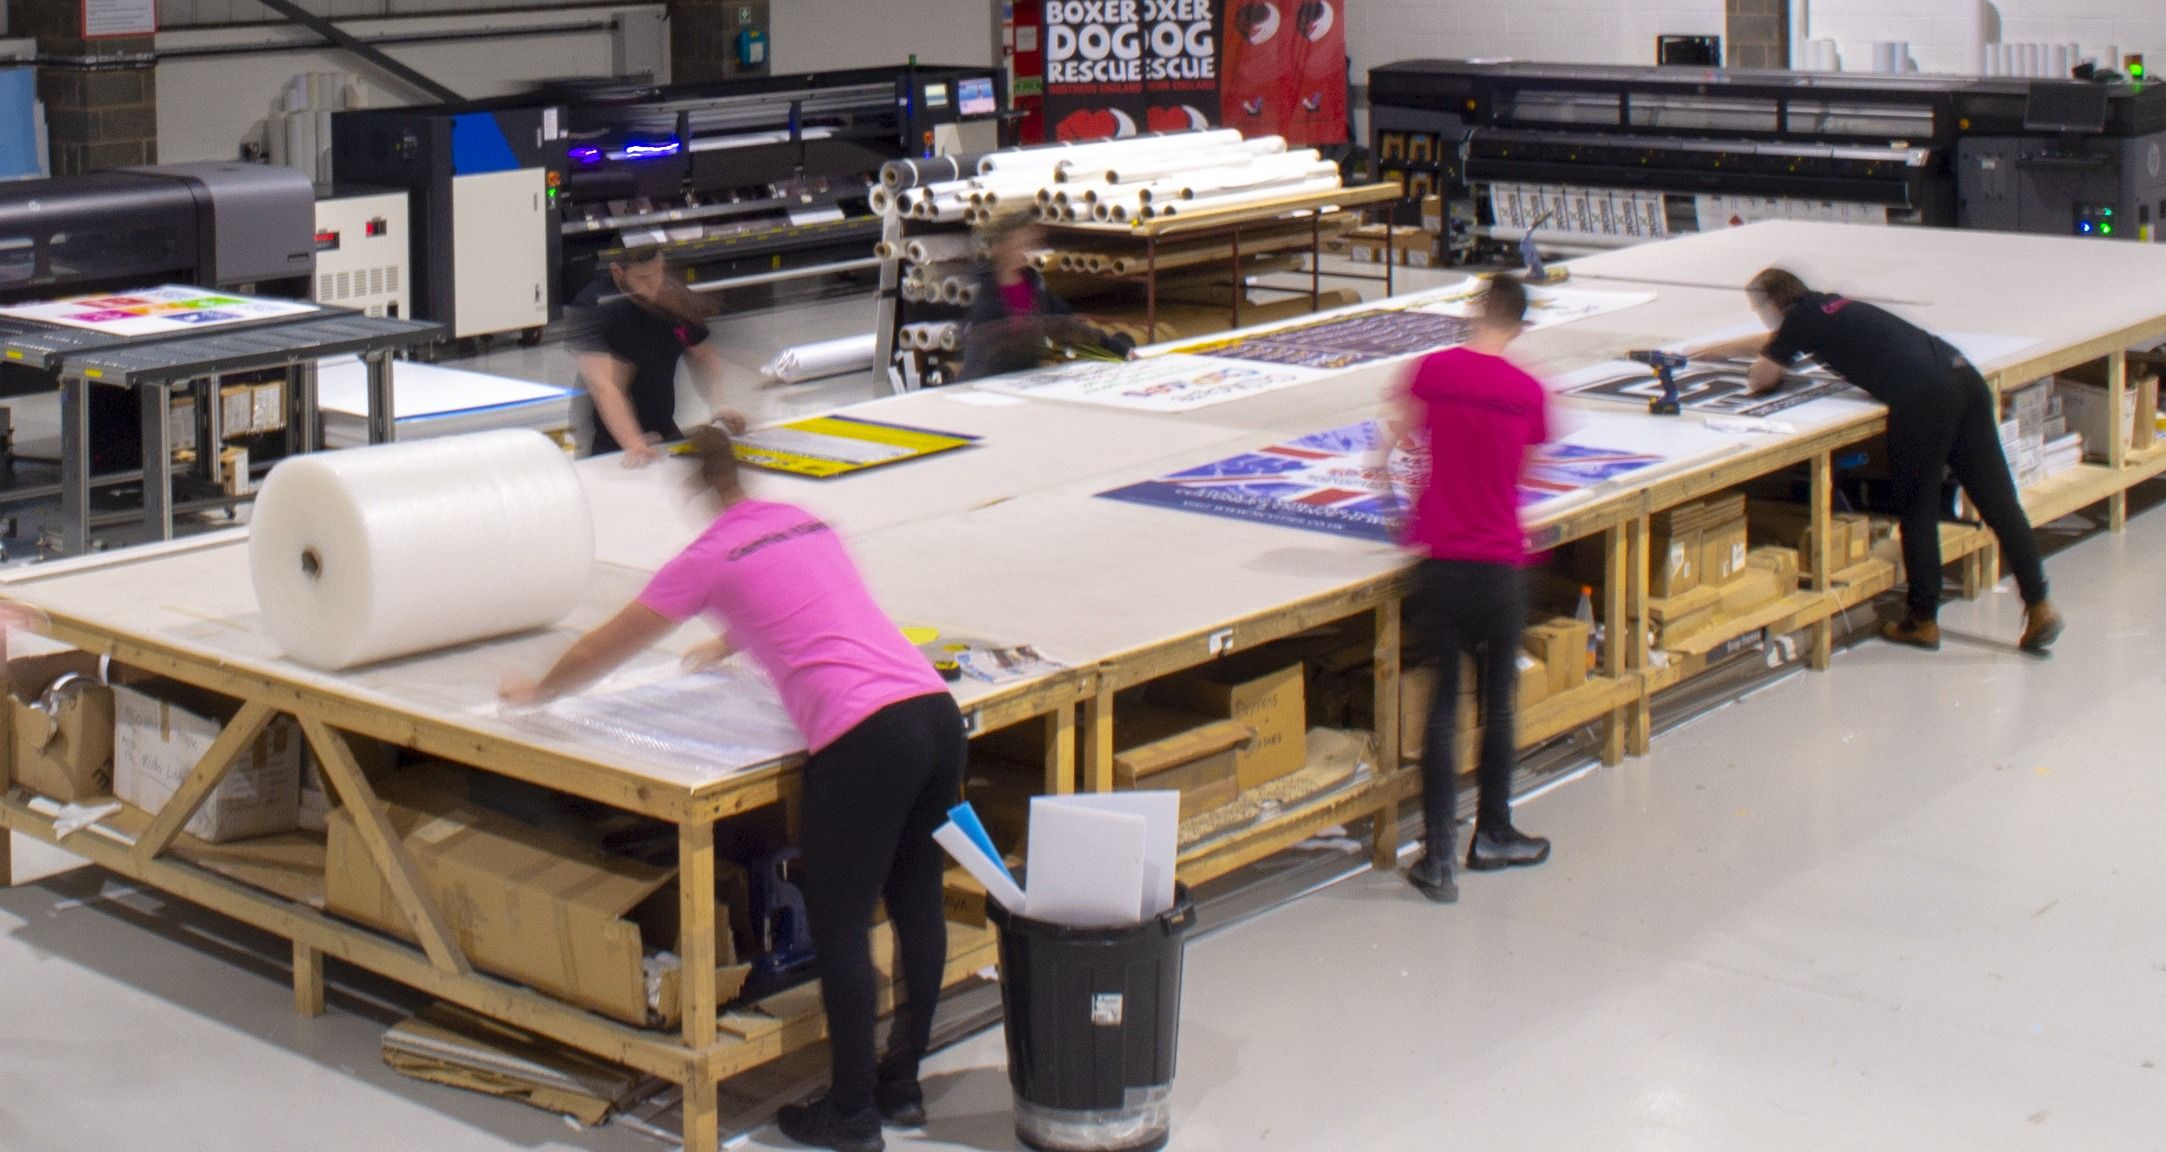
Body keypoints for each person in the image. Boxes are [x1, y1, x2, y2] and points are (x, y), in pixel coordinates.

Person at [500, 424, 961, 1152]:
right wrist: (730, 638)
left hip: (863, 739)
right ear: (745, 478)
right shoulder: (802, 520)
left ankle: (851, 1114)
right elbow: (809, 600)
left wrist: (538, 690)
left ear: (693, 492)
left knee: (842, 927)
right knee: (917, 902)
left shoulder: (708, 557)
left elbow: (607, 645)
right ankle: (899, 1087)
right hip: (933, 715)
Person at [1691, 268, 2063, 653]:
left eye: (1759, 308)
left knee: (1917, 510)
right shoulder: (1828, 306)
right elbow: (1775, 341)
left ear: (1773, 303)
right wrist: (1718, 350)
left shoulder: (1800, 318)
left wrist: (1756, 367)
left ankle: (1923, 620)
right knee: (2000, 505)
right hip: (1963, 379)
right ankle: (2040, 604)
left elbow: (1763, 377)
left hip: (1923, 400)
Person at [1384, 277, 1554, 905]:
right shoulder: (1528, 391)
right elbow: (1526, 472)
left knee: (1443, 707)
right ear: (1518, 325)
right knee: (1499, 703)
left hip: (1443, 559)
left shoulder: (1433, 370)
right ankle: (1494, 832)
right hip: (1499, 561)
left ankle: (1437, 859)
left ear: (1475, 312)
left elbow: (1403, 438)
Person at [568, 247, 747, 467]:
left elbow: (701, 354)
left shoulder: (672, 297)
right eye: (643, 278)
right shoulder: (596, 306)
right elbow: (605, 386)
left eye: (659, 272)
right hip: (605, 435)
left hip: (661, 426)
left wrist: (718, 403)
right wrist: (632, 440)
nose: (654, 285)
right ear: (617, 272)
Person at [956, 210, 1133, 381]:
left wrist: (1118, 349)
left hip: (1025, 380)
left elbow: (1070, 326)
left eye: (1028, 243)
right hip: (992, 384)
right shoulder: (984, 297)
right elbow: (979, 354)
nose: (1025, 250)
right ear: (1001, 247)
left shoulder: (1034, 285)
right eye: (1018, 244)